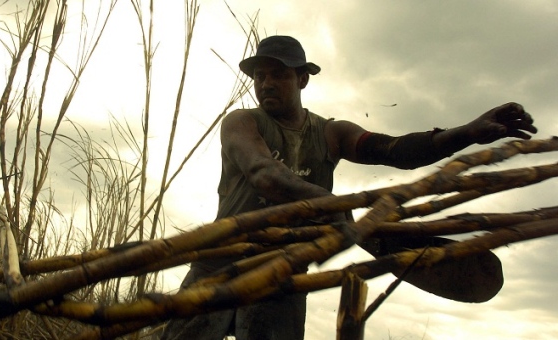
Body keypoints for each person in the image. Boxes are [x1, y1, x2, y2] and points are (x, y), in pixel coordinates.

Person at [161, 35, 537, 340]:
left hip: (284, 272)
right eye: (259, 75)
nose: (266, 83)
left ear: (302, 79)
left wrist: (466, 133)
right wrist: (335, 206)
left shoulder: (331, 133)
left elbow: (396, 151)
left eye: (278, 74)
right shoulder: (242, 122)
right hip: (220, 260)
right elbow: (265, 175)